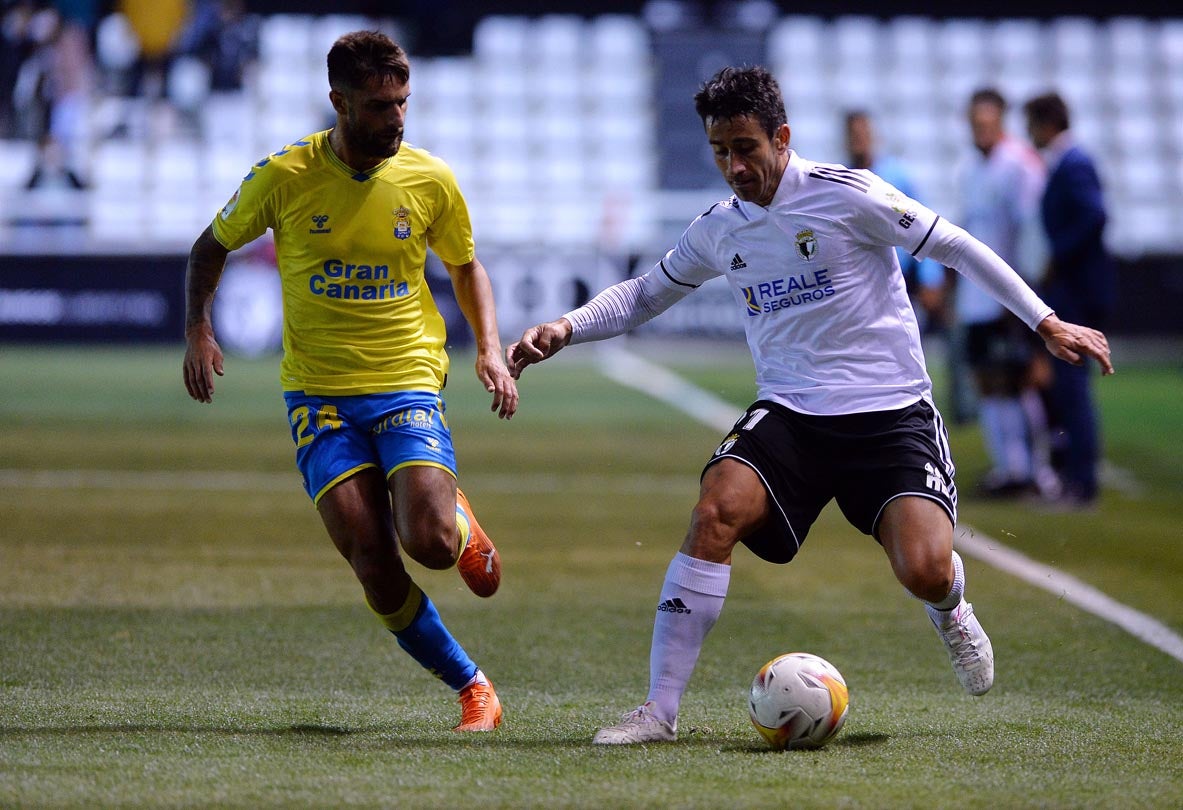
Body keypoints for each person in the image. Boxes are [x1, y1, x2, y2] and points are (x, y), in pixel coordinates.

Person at [508, 66, 1113, 744]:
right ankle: (658, 711)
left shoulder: (846, 195)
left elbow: (953, 245)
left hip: (889, 415)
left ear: (782, 138)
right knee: (714, 510)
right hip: (792, 414)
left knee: (923, 568)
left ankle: (949, 606)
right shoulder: (720, 228)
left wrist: (1044, 320)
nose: (734, 167)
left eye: (745, 148)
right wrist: (566, 325)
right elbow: (645, 293)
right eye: (719, 153)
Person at [182, 31, 518, 733]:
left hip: (405, 380)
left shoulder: (428, 179)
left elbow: (465, 267)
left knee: (428, 543)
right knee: (372, 556)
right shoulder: (284, 177)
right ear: (338, 101)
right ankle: (473, 688)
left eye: (402, 102)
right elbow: (209, 247)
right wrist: (198, 329)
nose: (396, 119)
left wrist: (488, 348)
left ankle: (455, 520)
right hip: (318, 394)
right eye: (378, 105)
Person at [955, 88, 1057, 498]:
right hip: (975, 294)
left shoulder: (1019, 165)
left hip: (1010, 292)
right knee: (988, 381)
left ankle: (1039, 470)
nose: (980, 129)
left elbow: (1031, 232)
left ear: (1001, 121)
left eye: (987, 122)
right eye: (975, 122)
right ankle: (1008, 467)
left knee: (1020, 382)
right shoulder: (970, 168)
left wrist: (1028, 287)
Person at [1024, 92, 1116, 509]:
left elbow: (1095, 215)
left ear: (1045, 124)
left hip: (1077, 291)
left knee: (1072, 388)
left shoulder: (1074, 164)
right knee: (1067, 388)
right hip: (1075, 288)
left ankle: (1081, 483)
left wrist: (1058, 256)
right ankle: (1075, 477)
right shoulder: (1066, 163)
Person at [844, 110, 945, 332]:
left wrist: (930, 277)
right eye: (853, 135)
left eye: (863, 134)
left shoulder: (896, 176)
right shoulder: (839, 182)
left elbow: (922, 225)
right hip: (858, 281)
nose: (859, 140)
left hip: (900, 277)